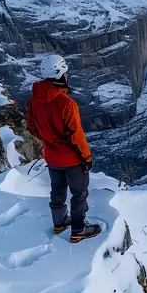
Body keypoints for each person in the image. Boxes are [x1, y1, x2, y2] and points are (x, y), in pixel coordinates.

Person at [26, 54, 101, 244]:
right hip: (72, 159)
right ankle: (79, 229)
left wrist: (49, 140)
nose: (68, 76)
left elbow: (32, 127)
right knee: (79, 194)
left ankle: (59, 222)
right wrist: (87, 158)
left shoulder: (34, 102)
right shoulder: (67, 104)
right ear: (59, 74)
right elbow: (76, 136)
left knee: (57, 190)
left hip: (52, 158)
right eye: (66, 72)